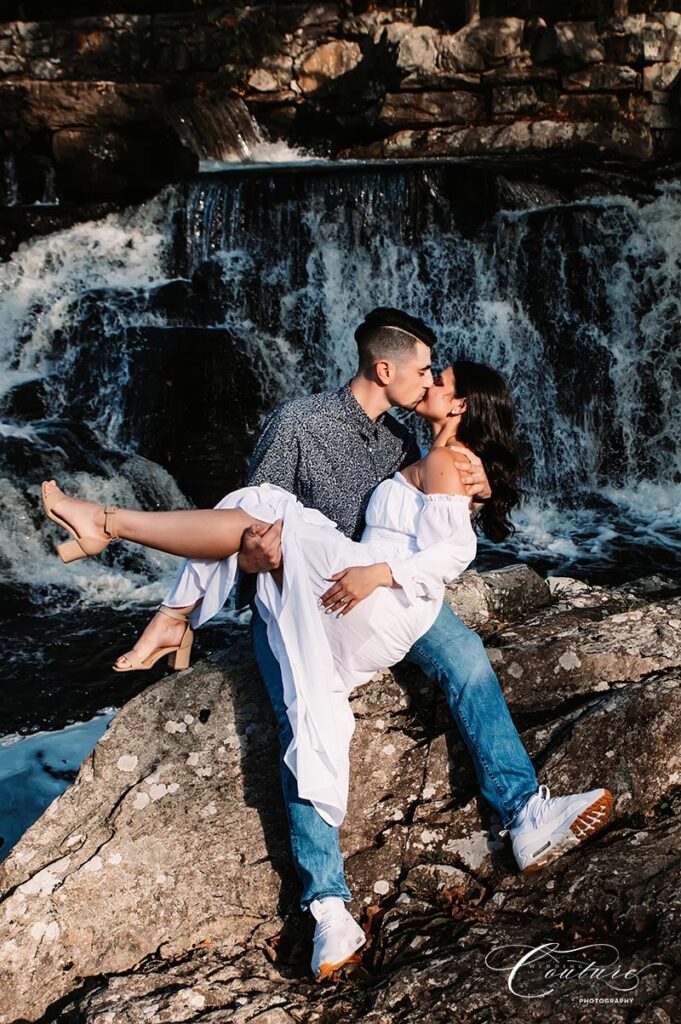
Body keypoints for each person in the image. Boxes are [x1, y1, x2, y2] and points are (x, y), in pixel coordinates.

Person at [40, 308, 613, 980]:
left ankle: (524, 812)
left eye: (437, 376)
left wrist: (471, 484)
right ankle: (328, 911)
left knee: (464, 660)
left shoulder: (405, 440)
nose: (429, 379)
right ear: (385, 368)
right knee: (301, 712)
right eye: (424, 369)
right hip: (298, 602)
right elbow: (245, 542)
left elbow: (437, 526)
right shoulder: (299, 424)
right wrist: (258, 559)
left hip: (372, 595)